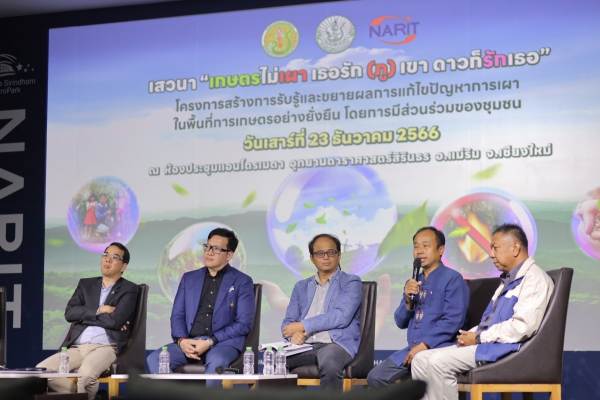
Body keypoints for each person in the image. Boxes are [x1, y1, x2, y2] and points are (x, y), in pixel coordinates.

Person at [411, 223, 555, 400]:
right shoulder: (507, 281)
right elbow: (490, 321)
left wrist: (479, 338)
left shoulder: (534, 279)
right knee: (420, 360)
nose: (491, 254)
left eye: (495, 248)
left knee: (437, 363)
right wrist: (469, 335)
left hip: (507, 350)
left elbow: (522, 327)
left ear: (515, 248)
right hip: (489, 344)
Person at [146, 228, 254, 386]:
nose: (209, 252)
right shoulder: (189, 278)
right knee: (154, 359)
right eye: (207, 246)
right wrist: (182, 341)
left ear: (229, 255)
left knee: (217, 362)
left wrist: (210, 341)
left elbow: (243, 324)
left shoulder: (242, 281)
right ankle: (172, 396)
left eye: (216, 249)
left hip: (222, 344)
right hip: (190, 342)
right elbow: (177, 316)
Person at [367, 226, 469, 388]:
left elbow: (453, 320)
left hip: (440, 347)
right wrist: (408, 300)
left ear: (440, 250)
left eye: (425, 246)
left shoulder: (452, 279)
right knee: (376, 377)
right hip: (413, 348)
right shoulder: (414, 281)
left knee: (422, 383)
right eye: (416, 246)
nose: (419, 251)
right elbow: (400, 321)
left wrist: (425, 344)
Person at [37, 242, 138, 400]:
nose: (107, 259)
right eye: (105, 255)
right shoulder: (85, 285)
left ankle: (80, 395)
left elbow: (115, 321)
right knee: (41, 371)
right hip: (77, 347)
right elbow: (70, 313)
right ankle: (78, 395)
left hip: (105, 347)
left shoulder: (129, 289)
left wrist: (84, 317)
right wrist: (99, 310)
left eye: (114, 257)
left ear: (124, 266)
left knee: (85, 376)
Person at [281, 233, 362, 391]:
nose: (326, 257)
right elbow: (288, 323)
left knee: (329, 361)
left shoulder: (351, 282)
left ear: (339, 255)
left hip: (335, 344)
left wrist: (303, 326)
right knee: (274, 361)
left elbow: (341, 316)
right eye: (320, 253)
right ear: (312, 258)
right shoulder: (301, 287)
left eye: (331, 252)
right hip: (304, 346)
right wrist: (293, 335)